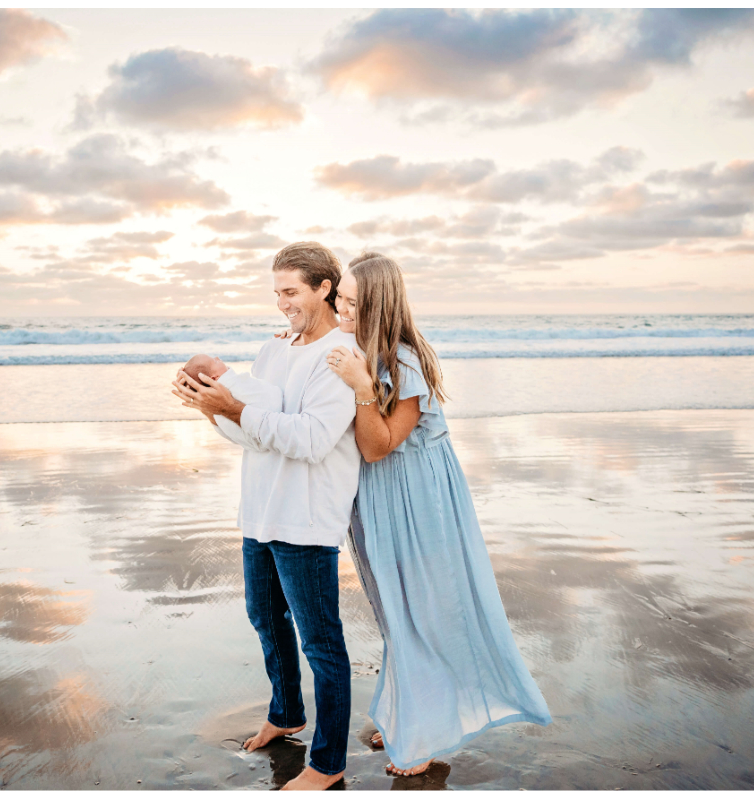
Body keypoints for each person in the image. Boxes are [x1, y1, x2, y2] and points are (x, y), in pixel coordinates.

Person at [325, 252, 552, 777]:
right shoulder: (356, 348)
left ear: (379, 305)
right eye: (340, 299)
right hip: (378, 498)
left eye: (353, 304)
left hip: (416, 499)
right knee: (393, 609)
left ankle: (425, 732)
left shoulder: (405, 361)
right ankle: (410, 709)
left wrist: (362, 388)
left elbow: (381, 446)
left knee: (422, 609)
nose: (342, 310)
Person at [171, 242, 361, 791]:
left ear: (324, 288)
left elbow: (312, 438)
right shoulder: (273, 349)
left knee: (321, 643)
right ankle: (287, 712)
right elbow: (251, 433)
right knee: (266, 619)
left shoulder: (342, 355)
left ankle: (328, 762)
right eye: (276, 292)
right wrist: (211, 408)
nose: (281, 304)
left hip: (306, 515)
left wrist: (233, 406)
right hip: (260, 510)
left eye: (291, 292)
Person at [180, 353, 282, 451]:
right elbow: (245, 382)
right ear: (214, 378)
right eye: (215, 361)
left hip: (264, 434)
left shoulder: (221, 393)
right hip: (273, 419)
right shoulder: (231, 384)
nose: (217, 357)